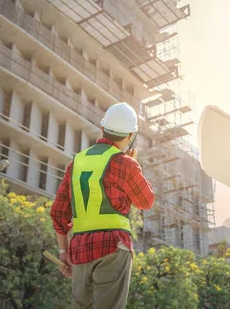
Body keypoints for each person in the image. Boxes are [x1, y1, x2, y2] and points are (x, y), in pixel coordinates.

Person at [51, 102, 155, 309]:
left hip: (80, 251)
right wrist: (134, 166)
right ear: (130, 136)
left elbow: (58, 214)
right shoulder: (125, 163)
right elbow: (146, 201)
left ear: (102, 129)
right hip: (113, 248)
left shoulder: (76, 163)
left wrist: (64, 253)